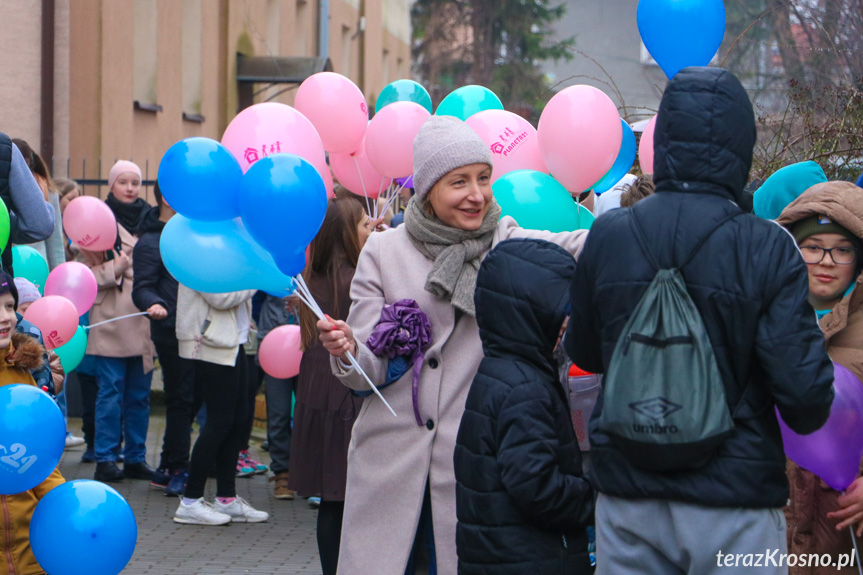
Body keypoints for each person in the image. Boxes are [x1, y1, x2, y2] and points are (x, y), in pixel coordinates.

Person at [564, 67, 834, 575]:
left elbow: (586, 353)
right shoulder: (768, 247)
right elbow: (805, 401)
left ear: (663, 140)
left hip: (628, 498)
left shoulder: (610, 234)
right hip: (735, 504)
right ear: (742, 145)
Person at [317, 115, 589, 575]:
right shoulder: (383, 251)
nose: (477, 194)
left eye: (484, 178)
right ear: (426, 190)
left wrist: (643, 229)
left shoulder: (505, 239)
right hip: (389, 463)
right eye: (459, 182)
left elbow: (574, 245)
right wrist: (345, 350)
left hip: (466, 469)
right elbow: (369, 369)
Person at [455, 238, 594, 574]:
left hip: (503, 556)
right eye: (561, 308)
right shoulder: (524, 389)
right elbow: (539, 489)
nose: (567, 320)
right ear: (531, 310)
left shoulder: (503, 371)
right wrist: (597, 495)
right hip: (531, 559)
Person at [775, 181, 863, 575]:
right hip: (773, 533)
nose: (827, 261)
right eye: (813, 247)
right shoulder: (762, 320)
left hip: (846, 535)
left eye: (842, 250)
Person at [293, 194, 371, 575]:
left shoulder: (312, 277)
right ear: (345, 234)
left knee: (332, 497)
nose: (370, 230)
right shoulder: (355, 279)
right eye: (363, 225)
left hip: (316, 387)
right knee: (348, 496)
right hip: (344, 393)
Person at [77, 160, 155, 483]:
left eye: (135, 182)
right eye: (123, 182)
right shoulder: (98, 224)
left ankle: (136, 457)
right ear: (111, 186)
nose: (130, 188)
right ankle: (106, 457)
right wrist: (115, 269)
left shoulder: (151, 222)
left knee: (139, 394)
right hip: (110, 320)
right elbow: (84, 276)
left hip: (143, 318)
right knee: (109, 392)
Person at [174, 285, 268, 525]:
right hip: (209, 342)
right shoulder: (201, 250)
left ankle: (226, 497)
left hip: (233, 341)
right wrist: (256, 283)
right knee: (219, 422)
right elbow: (220, 297)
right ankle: (190, 501)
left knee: (238, 420)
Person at [131, 182, 196, 497]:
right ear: (168, 198)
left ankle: (167, 467)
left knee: (187, 399)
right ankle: (179, 469)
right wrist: (153, 304)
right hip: (170, 329)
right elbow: (141, 287)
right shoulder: (151, 241)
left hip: (196, 327)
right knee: (182, 399)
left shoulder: (190, 232)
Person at [0, 270, 65, 575]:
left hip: (30, 551)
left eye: (10, 306)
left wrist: (66, 501)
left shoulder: (22, 373)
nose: (5, 318)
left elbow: (37, 459)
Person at [258, 292, 298, 497]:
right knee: (279, 412)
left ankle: (308, 472)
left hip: (310, 342)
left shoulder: (317, 264)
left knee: (310, 413)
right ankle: (282, 473)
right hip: (274, 342)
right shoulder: (270, 261)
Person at [11, 139, 65, 270]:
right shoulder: (6, 190)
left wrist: (59, 275)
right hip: (12, 266)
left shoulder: (48, 192)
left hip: (37, 268)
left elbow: (55, 243)